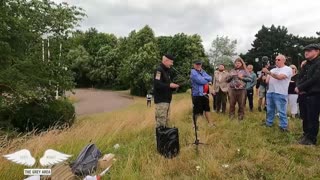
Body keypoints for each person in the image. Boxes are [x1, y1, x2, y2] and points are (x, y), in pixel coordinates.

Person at [295, 44, 320, 145]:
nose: (306, 52)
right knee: (305, 116)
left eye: (309, 50)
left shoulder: (318, 63)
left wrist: (300, 87)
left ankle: (311, 139)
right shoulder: (306, 64)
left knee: (312, 117)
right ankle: (306, 134)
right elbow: (300, 77)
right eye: (305, 50)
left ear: (317, 51)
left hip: (315, 94)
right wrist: (298, 87)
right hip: (304, 94)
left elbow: (315, 78)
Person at [262, 54, 292, 131]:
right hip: (270, 92)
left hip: (280, 93)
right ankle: (269, 123)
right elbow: (267, 81)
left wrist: (268, 73)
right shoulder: (273, 70)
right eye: (275, 59)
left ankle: (283, 126)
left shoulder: (287, 69)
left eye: (278, 60)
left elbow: (280, 77)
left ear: (284, 60)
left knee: (281, 111)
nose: (276, 61)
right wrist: (264, 76)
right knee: (270, 110)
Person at [153, 54, 179, 128]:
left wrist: (174, 87)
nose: (172, 64)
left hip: (167, 101)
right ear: (166, 61)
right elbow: (157, 84)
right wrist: (169, 85)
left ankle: (165, 139)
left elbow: (166, 85)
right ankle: (159, 139)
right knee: (161, 124)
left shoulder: (167, 71)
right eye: (171, 62)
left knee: (167, 122)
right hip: (161, 101)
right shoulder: (159, 70)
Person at [190, 60, 214, 126]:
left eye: (199, 64)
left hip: (205, 94)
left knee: (207, 109)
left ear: (201, 65)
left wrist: (204, 78)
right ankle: (194, 125)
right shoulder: (193, 72)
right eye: (197, 64)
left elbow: (210, 78)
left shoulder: (203, 71)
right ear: (194, 65)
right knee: (197, 111)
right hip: (197, 95)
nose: (198, 66)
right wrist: (206, 80)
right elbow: (200, 81)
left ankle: (210, 123)